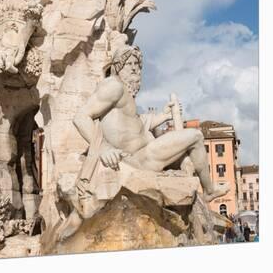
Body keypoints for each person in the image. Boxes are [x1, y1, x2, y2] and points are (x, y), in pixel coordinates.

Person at [54, 45, 229, 240]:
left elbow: (137, 124)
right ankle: (210, 191)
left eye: (138, 66)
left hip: (145, 152)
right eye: (130, 65)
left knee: (188, 150)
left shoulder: (124, 94)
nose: (136, 71)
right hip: (140, 158)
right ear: (118, 67)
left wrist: (164, 115)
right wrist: (103, 149)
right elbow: (81, 116)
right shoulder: (113, 86)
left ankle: (203, 192)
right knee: (196, 136)